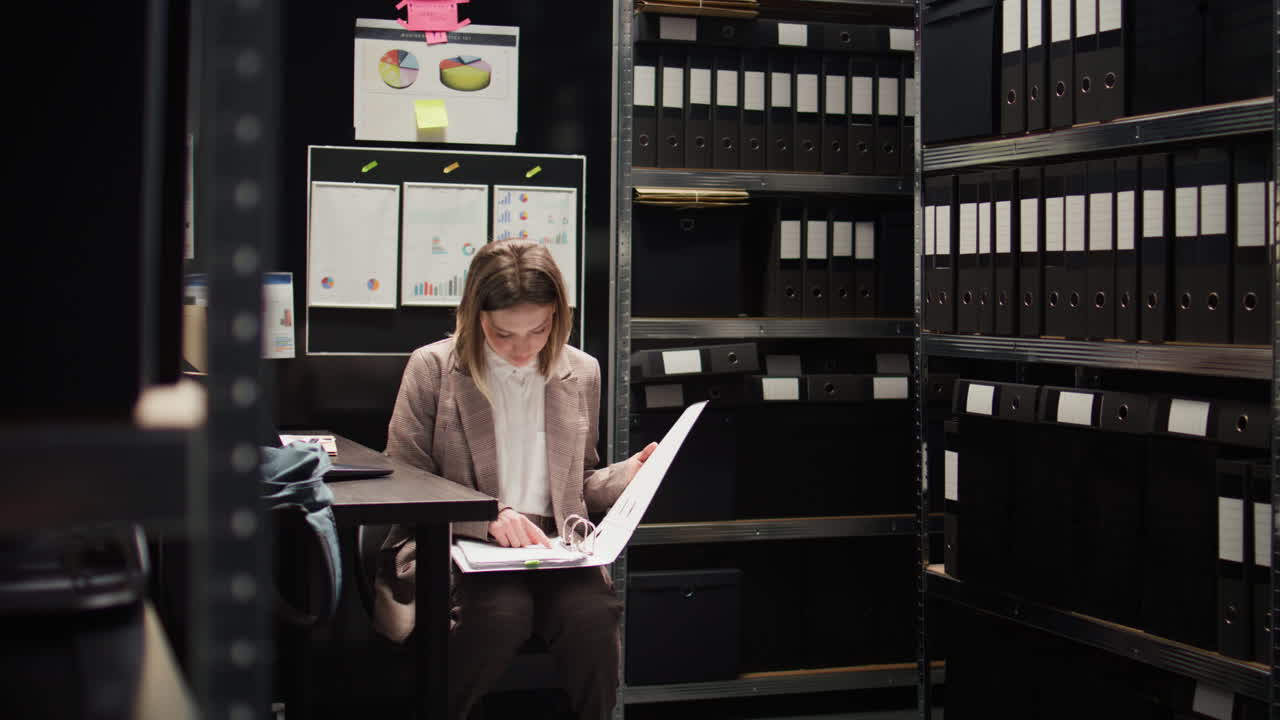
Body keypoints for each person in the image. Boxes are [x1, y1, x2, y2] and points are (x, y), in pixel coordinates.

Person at [373, 239, 657, 720]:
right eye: (504, 334)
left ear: (557, 317)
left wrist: (628, 476)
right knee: (500, 614)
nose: (523, 349)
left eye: (540, 329)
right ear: (475, 314)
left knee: (593, 616)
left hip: (552, 546)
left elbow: (579, 482)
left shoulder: (581, 371)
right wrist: (485, 516)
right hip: (452, 542)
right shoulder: (433, 368)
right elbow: (405, 482)